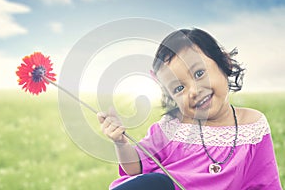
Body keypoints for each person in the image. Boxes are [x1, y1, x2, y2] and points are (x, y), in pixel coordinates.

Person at [97, 28, 282, 190]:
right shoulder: (173, 126)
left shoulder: (253, 126)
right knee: (155, 183)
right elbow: (136, 166)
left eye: (199, 73)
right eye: (179, 89)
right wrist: (120, 143)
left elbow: (265, 184)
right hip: (161, 186)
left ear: (223, 62)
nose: (194, 91)